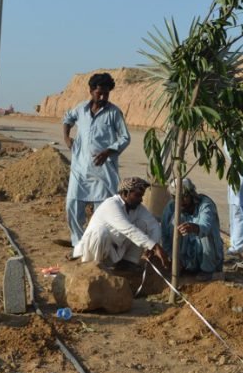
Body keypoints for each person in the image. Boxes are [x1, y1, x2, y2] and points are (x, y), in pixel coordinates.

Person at [62, 73, 131, 247]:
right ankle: (79, 244)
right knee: (72, 206)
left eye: (106, 94)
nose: (102, 97)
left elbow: (125, 137)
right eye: (99, 93)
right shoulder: (80, 109)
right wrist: (67, 137)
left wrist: (108, 151)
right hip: (80, 169)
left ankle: (98, 245)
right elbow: (67, 119)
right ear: (91, 91)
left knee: (103, 212)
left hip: (103, 172)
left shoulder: (114, 113)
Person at [71, 177, 170, 270]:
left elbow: (154, 226)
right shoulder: (111, 204)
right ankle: (95, 267)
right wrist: (153, 246)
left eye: (142, 196)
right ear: (125, 193)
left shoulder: (137, 208)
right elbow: (128, 230)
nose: (141, 200)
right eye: (137, 195)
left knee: (142, 224)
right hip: (92, 252)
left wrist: (153, 245)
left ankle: (127, 262)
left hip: (113, 251)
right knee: (100, 232)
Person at [161, 178, 224, 281]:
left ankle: (208, 270)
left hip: (208, 258)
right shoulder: (171, 207)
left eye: (185, 197)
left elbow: (205, 227)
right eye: (177, 198)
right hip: (186, 260)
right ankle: (181, 264)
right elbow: (164, 235)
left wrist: (195, 228)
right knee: (174, 223)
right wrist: (172, 257)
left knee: (205, 234)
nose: (181, 201)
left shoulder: (206, 205)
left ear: (192, 194)